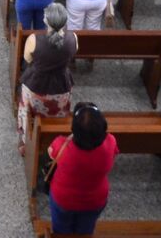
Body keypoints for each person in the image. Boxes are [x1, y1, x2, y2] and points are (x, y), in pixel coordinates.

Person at [45, 101, 118, 236]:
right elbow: (114, 154)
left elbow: (50, 152)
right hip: (95, 200)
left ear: (74, 129)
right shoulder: (111, 143)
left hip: (64, 198)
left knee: (61, 228)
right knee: (85, 230)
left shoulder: (62, 146)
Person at [18, 2, 76, 142]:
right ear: (65, 21)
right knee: (59, 113)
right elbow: (71, 55)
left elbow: (27, 59)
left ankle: (27, 139)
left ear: (45, 20)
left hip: (36, 85)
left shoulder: (34, 39)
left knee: (27, 111)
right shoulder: (73, 38)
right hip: (61, 84)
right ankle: (56, 139)